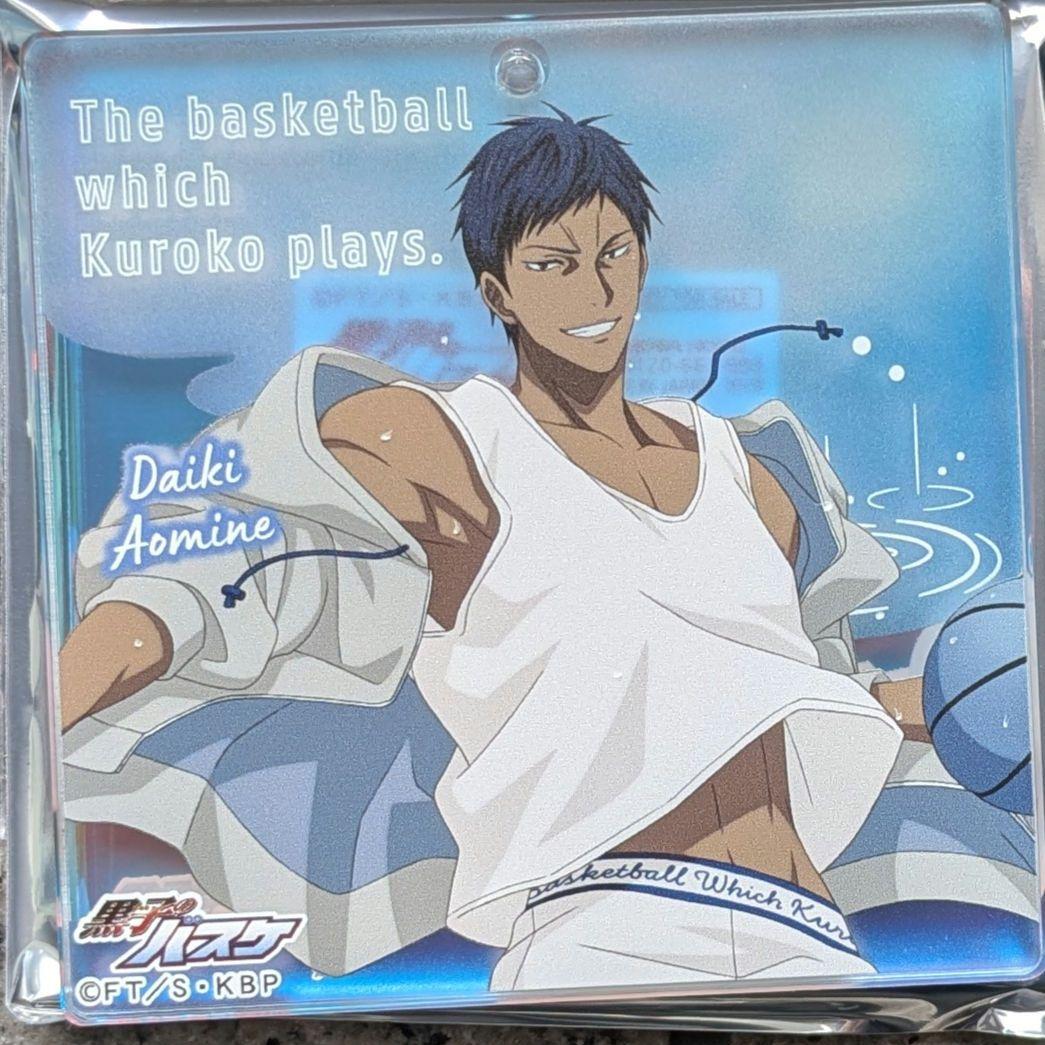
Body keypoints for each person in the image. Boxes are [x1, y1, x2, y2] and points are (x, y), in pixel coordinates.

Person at [59, 109, 925, 990]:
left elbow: (781, 685)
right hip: (608, 924)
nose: (594, 291)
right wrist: (45, 712)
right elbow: (199, 580)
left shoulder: (750, 475)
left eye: (613, 253)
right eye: (552, 264)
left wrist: (945, 700)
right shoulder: (449, 446)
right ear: (496, 291)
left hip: (807, 927)